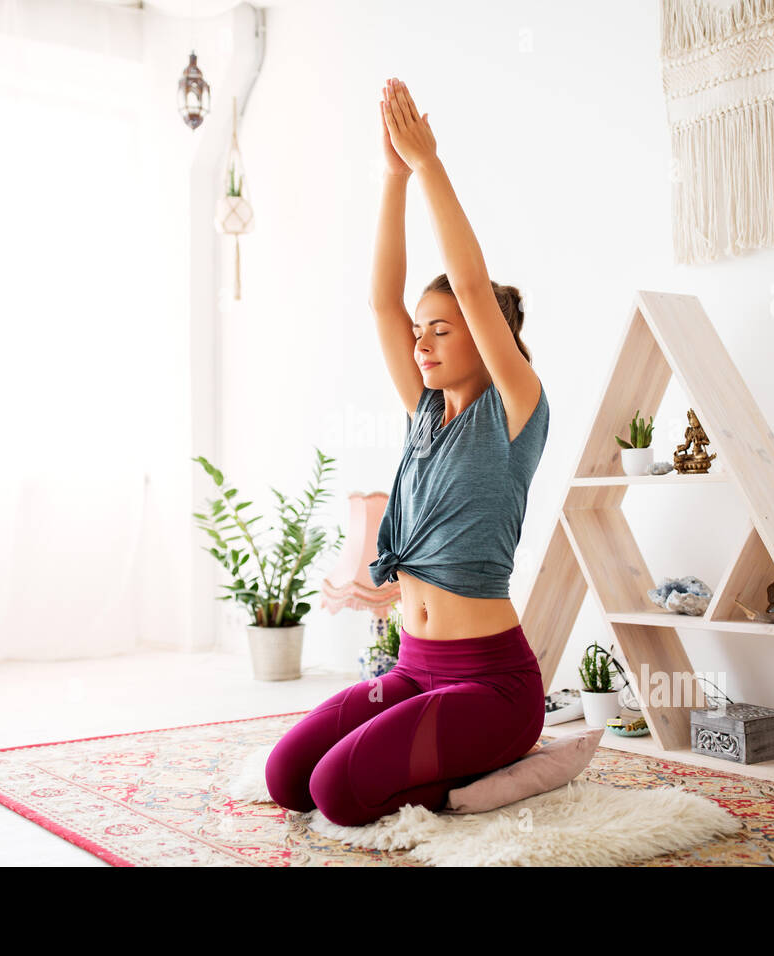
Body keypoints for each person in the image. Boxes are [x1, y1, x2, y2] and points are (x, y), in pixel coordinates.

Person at [265, 77, 551, 827]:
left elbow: (468, 284)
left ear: (489, 343)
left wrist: (430, 166)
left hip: (492, 685)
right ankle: (456, 766)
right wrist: (391, 176)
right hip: (413, 667)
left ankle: (495, 775)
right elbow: (381, 304)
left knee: (338, 794)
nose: (420, 342)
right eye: (420, 331)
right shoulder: (424, 415)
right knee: (288, 776)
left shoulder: (517, 409)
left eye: (442, 330)